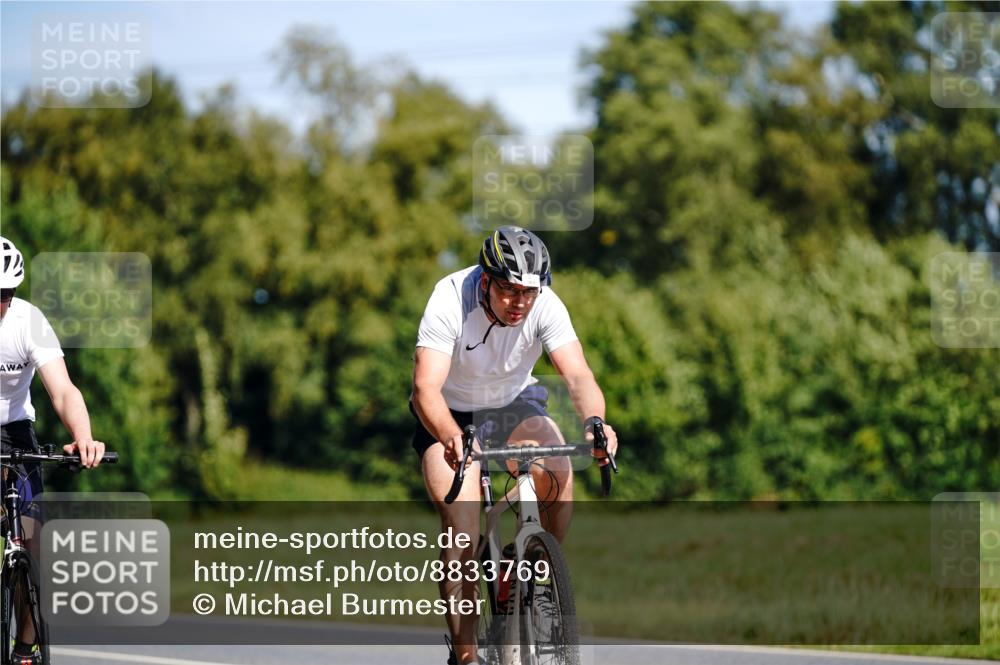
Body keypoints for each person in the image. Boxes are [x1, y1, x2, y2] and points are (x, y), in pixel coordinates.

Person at [410, 226, 619, 665]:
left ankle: (531, 571)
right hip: (450, 414)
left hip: (512, 403)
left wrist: (596, 423)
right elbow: (424, 388)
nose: (519, 302)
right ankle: (466, 656)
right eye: (508, 290)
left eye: (528, 292)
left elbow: (578, 374)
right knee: (463, 532)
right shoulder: (449, 297)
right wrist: (450, 436)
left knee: (558, 476)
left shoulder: (546, 304)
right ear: (486, 281)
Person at [0, 236, 106, 664]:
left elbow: (62, 391)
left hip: (16, 433)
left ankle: (25, 649)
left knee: (33, 540)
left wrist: (84, 435)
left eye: (5, 294)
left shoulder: (29, 322)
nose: (0, 304)